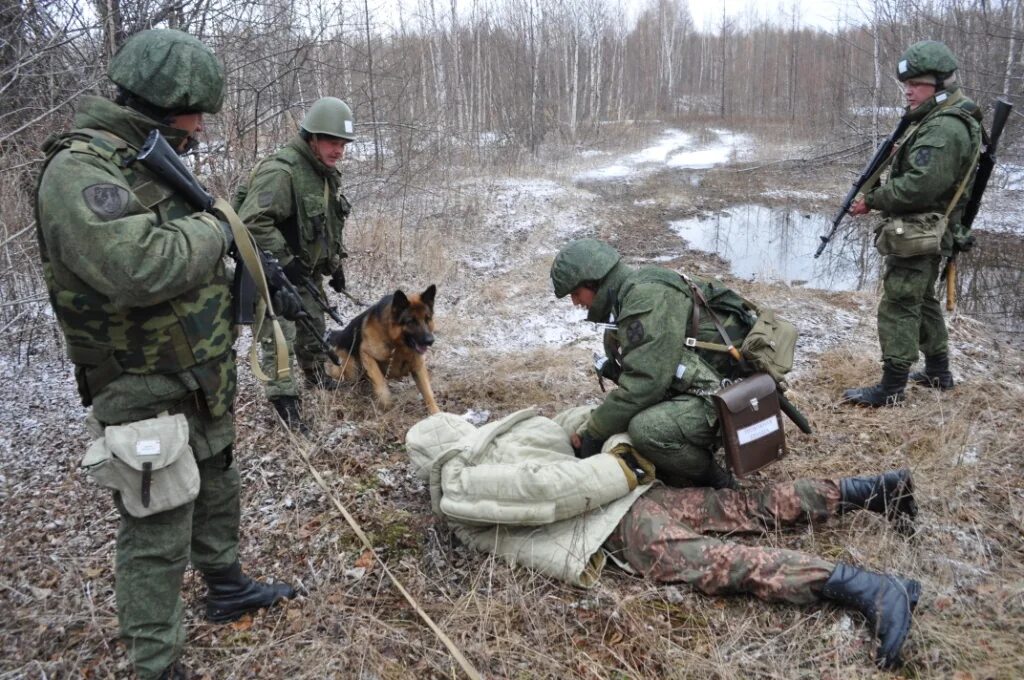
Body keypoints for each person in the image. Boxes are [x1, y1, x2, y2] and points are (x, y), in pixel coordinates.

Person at [35, 29, 295, 680]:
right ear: (159, 104)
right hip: (139, 381)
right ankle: (156, 662)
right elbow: (138, 266)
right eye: (194, 113)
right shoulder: (81, 170)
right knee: (156, 525)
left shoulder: (146, 157)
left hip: (198, 372)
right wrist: (216, 226)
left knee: (216, 488)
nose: (201, 128)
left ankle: (226, 586)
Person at [405, 408, 922, 669]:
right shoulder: (515, 428)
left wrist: (619, 469)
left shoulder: (459, 483)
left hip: (612, 525)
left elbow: (546, 490)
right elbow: (590, 420)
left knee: (722, 561)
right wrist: (621, 455)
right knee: (743, 507)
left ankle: (869, 588)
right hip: (635, 496)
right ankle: (870, 491)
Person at [844, 40, 982, 406]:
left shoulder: (945, 127)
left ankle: (891, 388)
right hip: (929, 229)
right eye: (907, 84)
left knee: (900, 302)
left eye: (917, 84)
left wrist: (873, 200)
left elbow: (919, 188)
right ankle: (939, 371)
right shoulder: (937, 120)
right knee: (921, 300)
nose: (908, 90)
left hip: (923, 230)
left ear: (940, 85)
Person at [550, 237, 735, 489]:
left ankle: (718, 481)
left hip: (727, 396)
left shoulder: (644, 299)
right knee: (630, 419)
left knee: (646, 430)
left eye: (575, 293)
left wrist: (594, 433)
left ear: (594, 281)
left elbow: (644, 386)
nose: (575, 302)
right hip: (702, 384)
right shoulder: (632, 292)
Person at [235, 96, 356, 432]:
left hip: (304, 272)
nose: (339, 150)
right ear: (312, 138)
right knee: (281, 336)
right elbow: (251, 222)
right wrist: (285, 262)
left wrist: (336, 265)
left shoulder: (323, 174)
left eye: (343, 144)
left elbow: (329, 224)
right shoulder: (282, 171)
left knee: (314, 326)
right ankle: (285, 402)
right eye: (332, 142)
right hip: (272, 270)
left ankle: (317, 376)